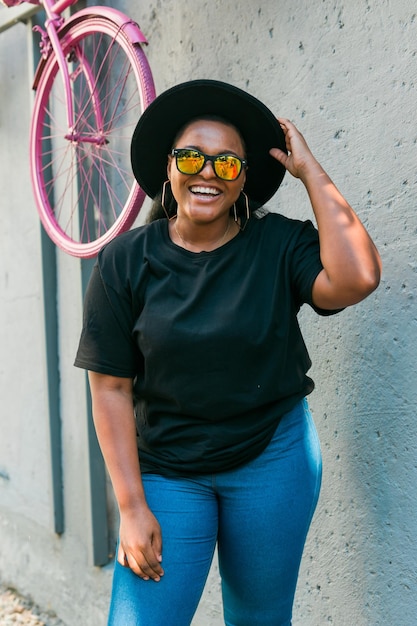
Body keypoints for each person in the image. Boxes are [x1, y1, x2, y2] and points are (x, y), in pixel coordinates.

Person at [74, 79, 381, 626]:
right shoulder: (125, 262)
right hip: (167, 472)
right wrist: (130, 505)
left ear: (244, 181)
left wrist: (310, 171)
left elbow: (356, 278)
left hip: (272, 462)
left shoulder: (279, 245)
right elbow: (111, 387)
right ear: (169, 168)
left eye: (227, 164)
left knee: (260, 620)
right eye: (191, 156)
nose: (207, 173)